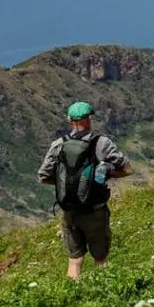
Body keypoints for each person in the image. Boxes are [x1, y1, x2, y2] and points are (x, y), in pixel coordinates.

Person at [37, 101, 129, 281]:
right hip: (95, 209)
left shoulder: (58, 144)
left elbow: (43, 175)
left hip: (69, 211)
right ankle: (101, 294)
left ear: (70, 120)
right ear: (89, 119)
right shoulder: (101, 143)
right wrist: (106, 174)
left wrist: (65, 184)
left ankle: (73, 297)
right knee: (100, 259)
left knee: (74, 259)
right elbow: (127, 169)